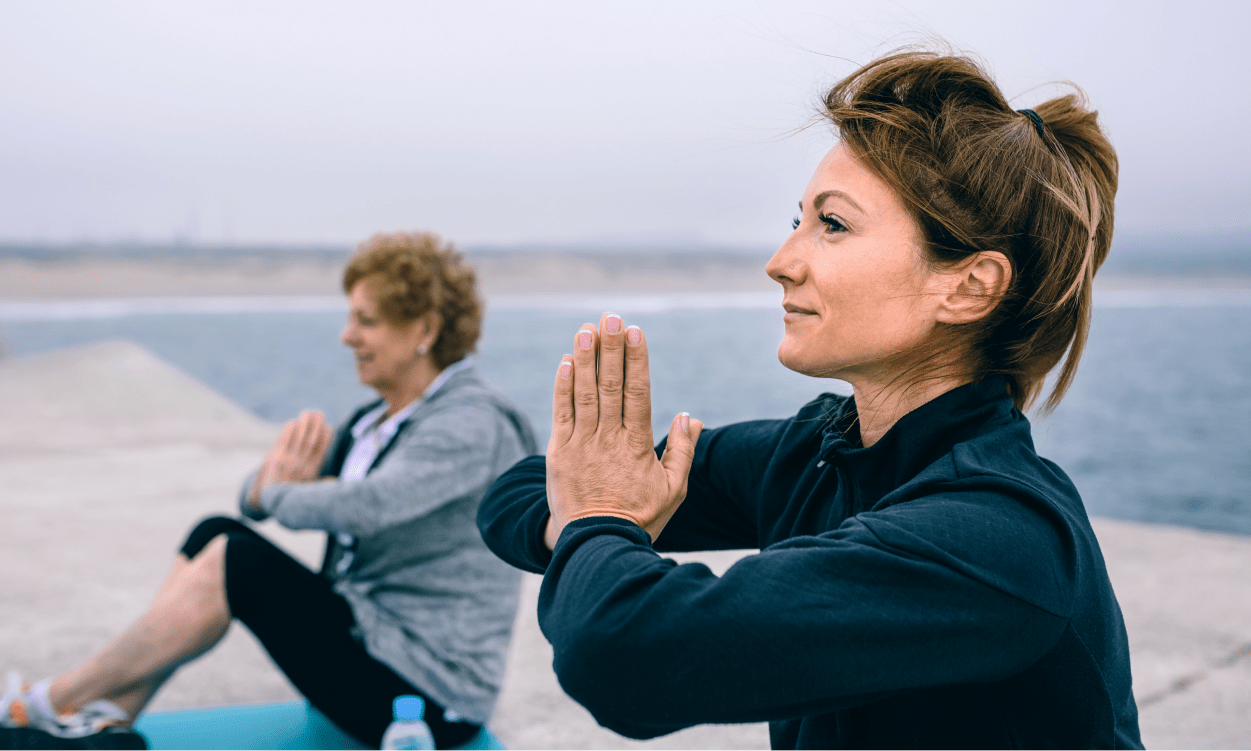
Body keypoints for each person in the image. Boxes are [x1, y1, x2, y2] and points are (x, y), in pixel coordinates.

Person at [478, 50, 1142, 750]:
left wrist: (598, 515)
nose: (781, 261)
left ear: (969, 286)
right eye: (796, 220)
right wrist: (588, 511)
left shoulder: (1001, 539)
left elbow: (624, 653)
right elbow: (517, 494)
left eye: (833, 224)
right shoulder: (819, 454)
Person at [0, 232, 538, 751]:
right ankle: (108, 724)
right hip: (368, 644)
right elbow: (261, 489)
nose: (348, 336)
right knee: (215, 534)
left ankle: (43, 704)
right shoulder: (375, 422)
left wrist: (275, 496)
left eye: (365, 320)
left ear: (425, 328)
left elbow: (367, 506)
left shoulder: (471, 421)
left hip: (428, 698)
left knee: (238, 562)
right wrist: (265, 493)